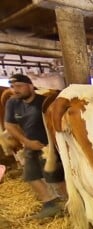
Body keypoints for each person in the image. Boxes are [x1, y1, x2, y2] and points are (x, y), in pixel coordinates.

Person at [4, 74, 66, 219]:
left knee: (56, 177)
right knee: (31, 176)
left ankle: (70, 203)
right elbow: (9, 125)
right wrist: (26, 142)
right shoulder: (12, 103)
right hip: (30, 145)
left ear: (30, 86)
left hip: (49, 146)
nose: (15, 90)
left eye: (19, 86)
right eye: (13, 87)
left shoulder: (44, 102)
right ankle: (49, 204)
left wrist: (51, 146)